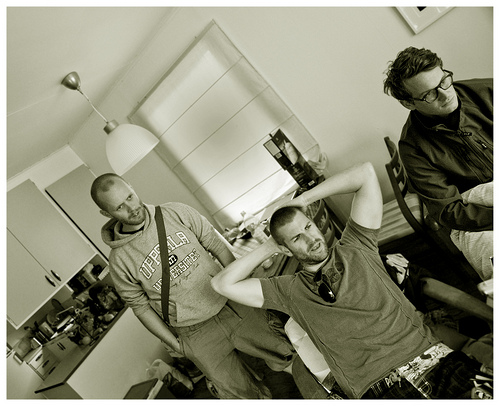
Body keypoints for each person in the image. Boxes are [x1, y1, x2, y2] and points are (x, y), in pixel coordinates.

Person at [211, 162, 491, 399]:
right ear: (285, 249)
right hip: (380, 389)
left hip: (434, 361)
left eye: (308, 226)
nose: (311, 238)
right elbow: (221, 284)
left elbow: (365, 173)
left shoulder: (357, 244)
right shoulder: (287, 290)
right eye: (297, 238)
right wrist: (271, 245)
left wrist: (302, 200)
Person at [90, 173, 295, 399]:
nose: (132, 208)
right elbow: (140, 307)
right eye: (120, 207)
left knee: (286, 355)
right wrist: (176, 345)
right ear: (106, 214)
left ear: (131, 186)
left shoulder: (175, 212)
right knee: (241, 395)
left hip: (232, 304)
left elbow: (216, 245)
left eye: (129, 196)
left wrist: (241, 287)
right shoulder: (119, 261)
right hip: (195, 332)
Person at [383, 46, 493, 279]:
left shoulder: (488, 91)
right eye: (429, 94)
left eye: (444, 81)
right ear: (409, 103)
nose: (445, 94)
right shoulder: (412, 147)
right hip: (475, 215)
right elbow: (449, 210)